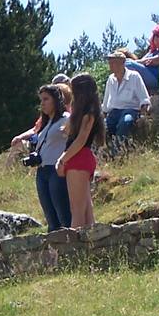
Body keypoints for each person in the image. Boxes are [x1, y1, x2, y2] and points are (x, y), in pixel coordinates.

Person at [17, 84, 72, 231]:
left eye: (46, 99)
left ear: (56, 100)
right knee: (50, 217)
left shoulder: (66, 119)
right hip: (42, 171)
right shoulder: (45, 124)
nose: (43, 103)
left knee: (63, 214)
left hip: (56, 169)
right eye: (41, 100)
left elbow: (75, 139)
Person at [57, 73, 105, 229]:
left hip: (78, 157)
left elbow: (80, 139)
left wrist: (63, 159)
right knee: (86, 210)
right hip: (84, 157)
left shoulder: (87, 113)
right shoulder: (88, 111)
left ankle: (74, 248)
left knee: (77, 210)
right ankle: (91, 245)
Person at [102, 49, 151, 147]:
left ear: (122, 63)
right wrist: (103, 114)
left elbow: (144, 99)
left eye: (114, 63)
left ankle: (117, 152)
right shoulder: (110, 79)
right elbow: (106, 101)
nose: (111, 65)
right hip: (113, 112)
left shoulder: (134, 76)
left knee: (125, 122)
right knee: (103, 127)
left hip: (130, 110)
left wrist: (142, 116)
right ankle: (107, 151)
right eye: (110, 63)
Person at [125, 22, 159, 90]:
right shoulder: (152, 51)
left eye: (157, 34)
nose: (154, 37)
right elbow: (142, 62)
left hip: (157, 78)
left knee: (126, 64)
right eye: (154, 35)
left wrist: (131, 62)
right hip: (148, 75)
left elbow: (154, 60)